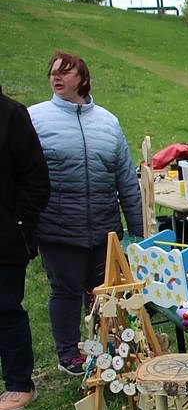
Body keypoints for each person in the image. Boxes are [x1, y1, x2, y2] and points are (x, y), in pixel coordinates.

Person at [29, 52, 144, 375]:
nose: (56, 77)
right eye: (53, 72)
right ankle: (69, 354)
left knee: (102, 293)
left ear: (83, 79)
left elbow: (125, 178)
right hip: (58, 227)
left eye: (64, 72)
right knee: (65, 290)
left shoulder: (108, 122)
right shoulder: (35, 118)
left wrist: (137, 230)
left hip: (104, 227)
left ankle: (104, 347)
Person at [0, 89, 50, 410]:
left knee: (5, 309)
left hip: (5, 238)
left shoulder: (11, 115)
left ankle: (19, 384)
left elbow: (36, 178)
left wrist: (19, 225)